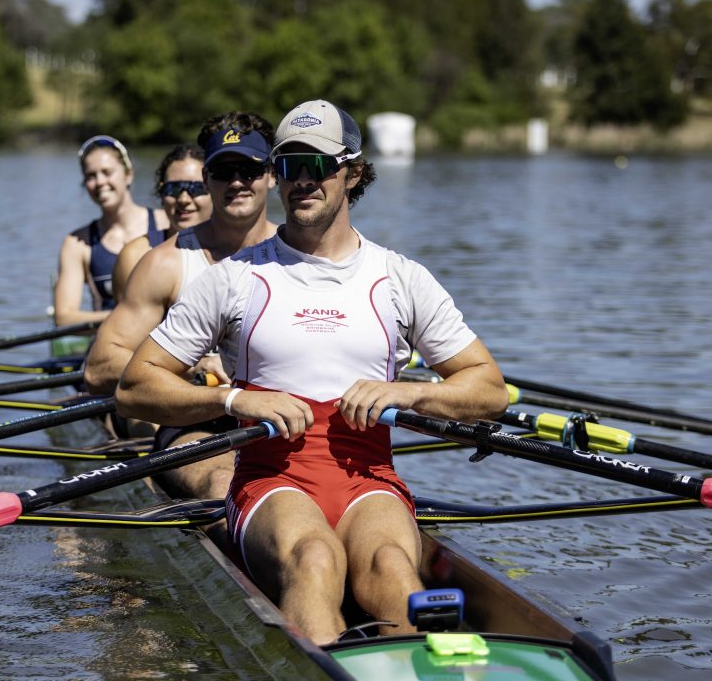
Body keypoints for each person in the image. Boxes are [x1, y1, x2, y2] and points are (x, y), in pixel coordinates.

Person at [116, 100, 507, 644]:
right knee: (315, 558)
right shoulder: (235, 278)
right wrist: (232, 400)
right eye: (289, 165)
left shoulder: (400, 277)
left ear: (353, 173)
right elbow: (134, 386)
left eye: (318, 165)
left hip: (369, 477)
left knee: (393, 566)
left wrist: (408, 394)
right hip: (272, 478)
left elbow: (489, 388)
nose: (302, 180)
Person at [85, 112, 278, 498]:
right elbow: (98, 367)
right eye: (223, 171)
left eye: (249, 170)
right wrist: (189, 367)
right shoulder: (165, 263)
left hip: (281, 417)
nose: (236, 181)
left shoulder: (303, 255)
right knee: (225, 486)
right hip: (196, 420)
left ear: (272, 176)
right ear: (209, 179)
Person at [53, 136, 168, 326]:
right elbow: (64, 318)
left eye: (107, 172)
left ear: (128, 174)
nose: (99, 182)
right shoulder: (77, 243)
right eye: (91, 176)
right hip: (111, 339)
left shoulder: (165, 222)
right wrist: (131, 315)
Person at [110, 144, 213, 303]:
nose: (183, 199)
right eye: (173, 189)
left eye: (197, 188)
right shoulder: (135, 256)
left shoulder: (239, 252)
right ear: (161, 193)